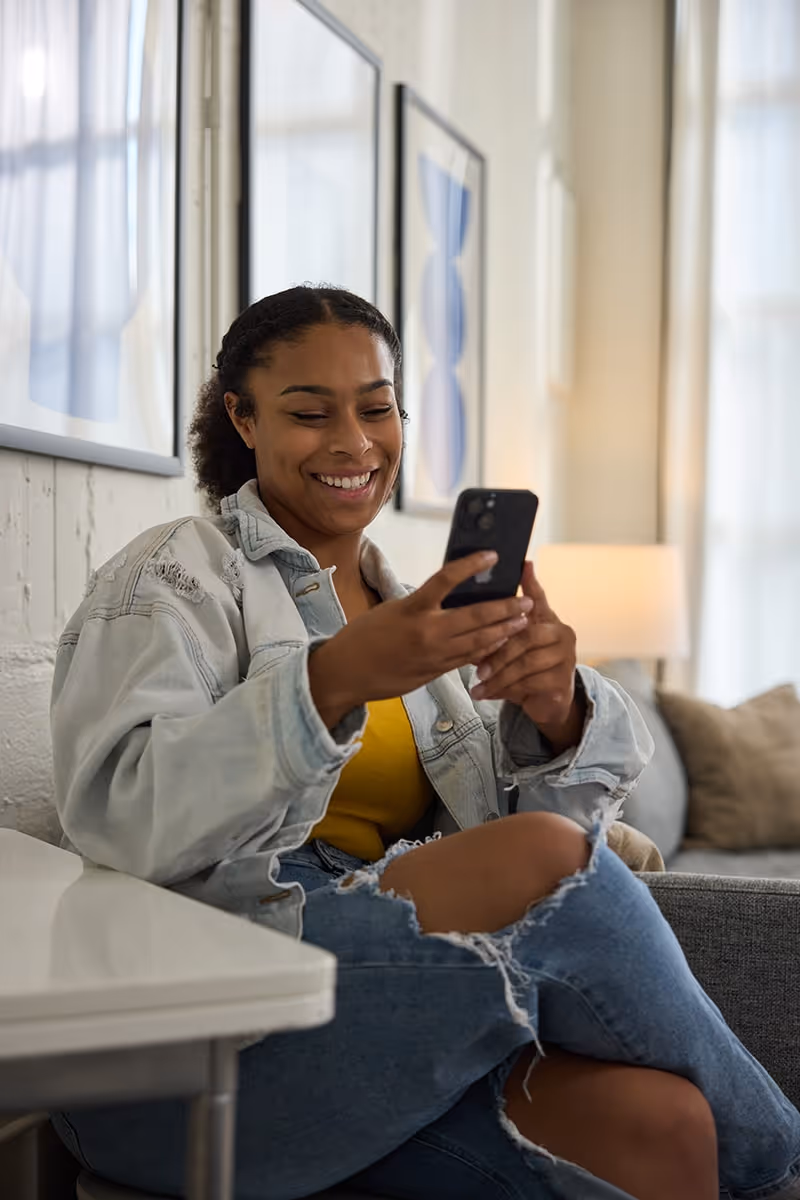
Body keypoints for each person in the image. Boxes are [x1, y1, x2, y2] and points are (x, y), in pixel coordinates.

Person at [51, 287, 800, 1200]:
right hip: (205, 1031)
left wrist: (554, 711)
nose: (354, 442)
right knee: (547, 856)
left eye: (376, 407)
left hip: (379, 1020)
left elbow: (549, 882)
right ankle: (782, 1161)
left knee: (665, 1126)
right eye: (308, 411)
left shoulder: (415, 618)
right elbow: (122, 817)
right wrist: (331, 679)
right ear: (242, 417)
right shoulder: (172, 575)